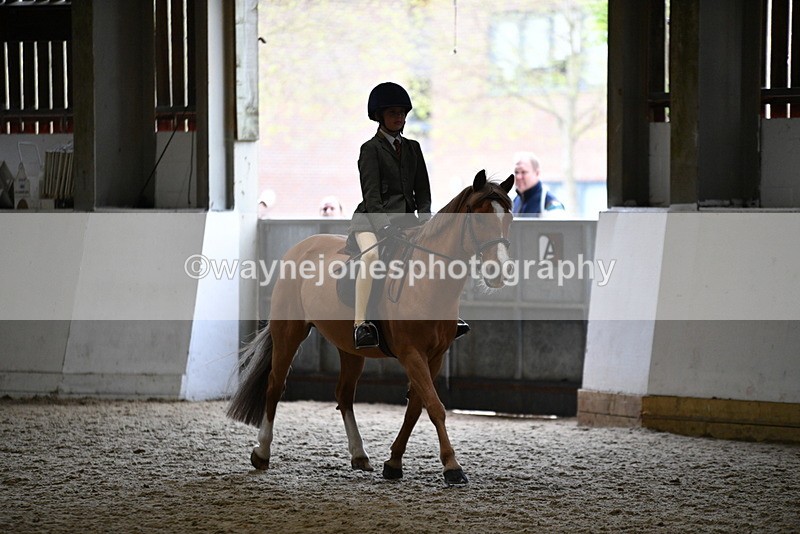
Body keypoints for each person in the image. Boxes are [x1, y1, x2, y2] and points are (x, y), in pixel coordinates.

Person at [349, 82, 469, 349]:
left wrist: (426, 219)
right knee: (371, 257)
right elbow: (371, 196)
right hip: (370, 219)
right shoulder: (370, 150)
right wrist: (383, 227)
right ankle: (361, 324)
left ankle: (446, 317)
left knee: (435, 255)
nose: (399, 117)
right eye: (392, 112)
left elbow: (423, 189)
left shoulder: (413, 148)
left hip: (406, 221)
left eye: (402, 112)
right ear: (379, 116)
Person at [512, 152, 564, 217]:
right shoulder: (515, 202)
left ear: (537, 173)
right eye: (516, 172)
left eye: (523, 172)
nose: (518, 177)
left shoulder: (549, 204)